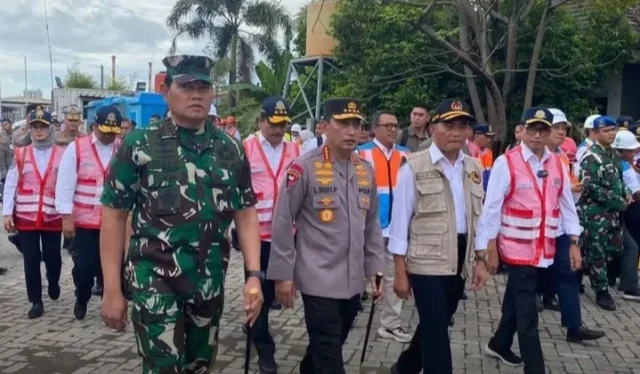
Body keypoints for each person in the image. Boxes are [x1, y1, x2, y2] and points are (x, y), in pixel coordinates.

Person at [99, 55, 264, 374]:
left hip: (208, 282)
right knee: (164, 367)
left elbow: (245, 212)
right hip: (154, 280)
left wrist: (253, 276)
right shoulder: (139, 145)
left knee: (199, 367)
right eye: (187, 86)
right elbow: (114, 216)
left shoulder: (229, 149)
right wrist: (112, 289)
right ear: (166, 91)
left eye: (204, 87)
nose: (197, 94)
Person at [268, 98, 385, 374]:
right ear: (324, 126)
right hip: (317, 279)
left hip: (353, 281)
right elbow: (283, 221)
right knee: (329, 354)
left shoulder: (365, 170)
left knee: (328, 346)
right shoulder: (304, 167)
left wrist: (376, 269)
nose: (352, 131)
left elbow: (371, 226)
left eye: (356, 124)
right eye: (343, 124)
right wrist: (283, 276)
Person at [389, 99, 488, 374]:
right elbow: (399, 223)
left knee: (437, 323)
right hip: (425, 260)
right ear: (433, 129)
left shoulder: (473, 168)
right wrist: (399, 270)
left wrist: (480, 259)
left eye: (463, 126)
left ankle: (405, 368)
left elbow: (477, 219)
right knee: (438, 338)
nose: (457, 132)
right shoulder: (414, 166)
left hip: (459, 259)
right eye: (449, 125)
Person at [480, 107, 582, 373]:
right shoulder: (508, 162)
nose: (537, 135)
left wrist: (573, 241)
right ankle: (535, 368)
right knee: (528, 312)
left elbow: (566, 204)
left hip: (544, 249)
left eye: (543, 130)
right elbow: (491, 207)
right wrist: (489, 246)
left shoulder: (557, 163)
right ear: (522, 130)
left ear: (549, 133)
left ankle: (499, 343)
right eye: (532, 129)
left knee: (517, 298)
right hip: (516, 249)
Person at [242, 96, 300, 373]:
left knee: (280, 292)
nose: (278, 130)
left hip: (287, 235)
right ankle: (265, 350)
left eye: (283, 124)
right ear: (261, 121)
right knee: (259, 295)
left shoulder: (295, 149)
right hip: (256, 237)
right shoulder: (246, 148)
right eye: (273, 124)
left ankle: (256, 329)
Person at [541, 108, 604, 342]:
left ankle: (574, 326)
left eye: (563, 128)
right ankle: (507, 332)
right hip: (537, 230)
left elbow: (566, 196)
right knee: (529, 281)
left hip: (560, 227)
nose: (560, 132)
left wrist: (573, 234)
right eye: (556, 127)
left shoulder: (561, 158)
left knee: (567, 274)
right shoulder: (529, 157)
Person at [55, 105, 122, 320]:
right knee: (85, 267)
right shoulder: (77, 148)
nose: (109, 136)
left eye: (114, 132)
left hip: (113, 221)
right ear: (94, 126)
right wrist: (66, 217)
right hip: (84, 222)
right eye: (105, 131)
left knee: (110, 267)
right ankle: (81, 296)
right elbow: (65, 184)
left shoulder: (122, 149)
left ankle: (109, 304)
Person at [356, 111, 412, 343]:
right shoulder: (361, 153)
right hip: (368, 226)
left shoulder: (407, 155)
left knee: (392, 275)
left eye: (395, 126)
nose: (392, 130)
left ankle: (390, 323)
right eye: (387, 125)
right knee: (360, 271)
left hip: (397, 227)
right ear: (374, 128)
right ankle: (348, 310)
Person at [2, 108, 63, 317]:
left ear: (50, 128)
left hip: (52, 216)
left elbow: (66, 185)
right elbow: (10, 185)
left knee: (54, 257)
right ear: (30, 129)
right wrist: (7, 213)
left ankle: (53, 281)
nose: (39, 131)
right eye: (35, 126)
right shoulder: (21, 153)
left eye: (43, 126)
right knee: (31, 258)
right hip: (26, 216)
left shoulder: (62, 154)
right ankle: (35, 301)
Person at [578, 116, 627, 311]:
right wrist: (616, 200)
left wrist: (626, 193)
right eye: (607, 131)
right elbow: (589, 186)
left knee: (613, 249)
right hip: (595, 214)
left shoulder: (614, 155)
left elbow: (619, 181)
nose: (611, 134)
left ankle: (581, 274)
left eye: (613, 130)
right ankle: (601, 291)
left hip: (613, 214)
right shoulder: (592, 156)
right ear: (596, 133)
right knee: (597, 251)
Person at [610, 130, 640, 300]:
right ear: (623, 151)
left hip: (615, 211)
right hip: (617, 211)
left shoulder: (614, 162)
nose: (634, 153)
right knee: (631, 247)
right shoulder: (625, 167)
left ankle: (617, 280)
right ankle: (629, 286)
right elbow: (636, 194)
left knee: (619, 246)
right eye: (632, 151)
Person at [470, 123, 495, 191]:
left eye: (490, 137)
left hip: (488, 193)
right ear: (476, 135)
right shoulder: (468, 151)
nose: (489, 140)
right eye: (487, 136)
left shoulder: (489, 152)